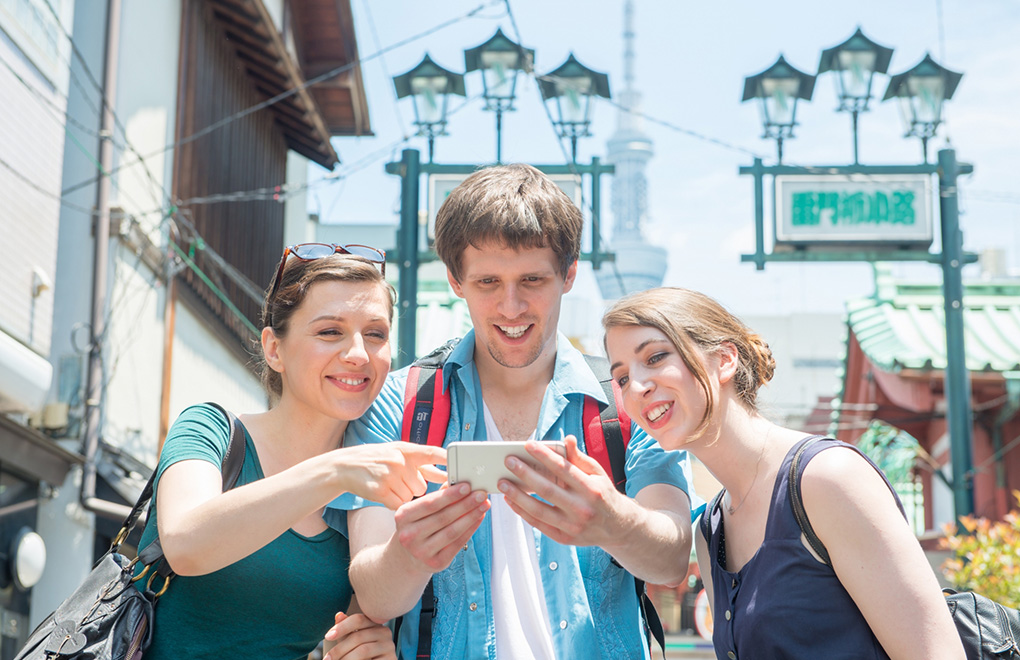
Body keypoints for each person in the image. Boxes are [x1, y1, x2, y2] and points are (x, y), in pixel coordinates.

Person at [325, 164, 697, 660]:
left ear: (568, 274)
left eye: (532, 279)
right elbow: (375, 594)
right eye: (487, 282)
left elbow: (672, 558)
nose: (511, 306)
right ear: (456, 281)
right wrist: (409, 554)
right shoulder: (399, 401)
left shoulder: (628, 401)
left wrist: (612, 522)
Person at [602, 287, 966, 660]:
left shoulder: (827, 478)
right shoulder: (710, 531)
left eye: (656, 357)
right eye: (623, 378)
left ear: (725, 359)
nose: (638, 388)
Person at [135, 247, 447, 660]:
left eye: (375, 334)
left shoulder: (368, 492)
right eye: (330, 332)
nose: (357, 354)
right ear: (274, 349)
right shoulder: (212, 430)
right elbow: (185, 544)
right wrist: (334, 471)